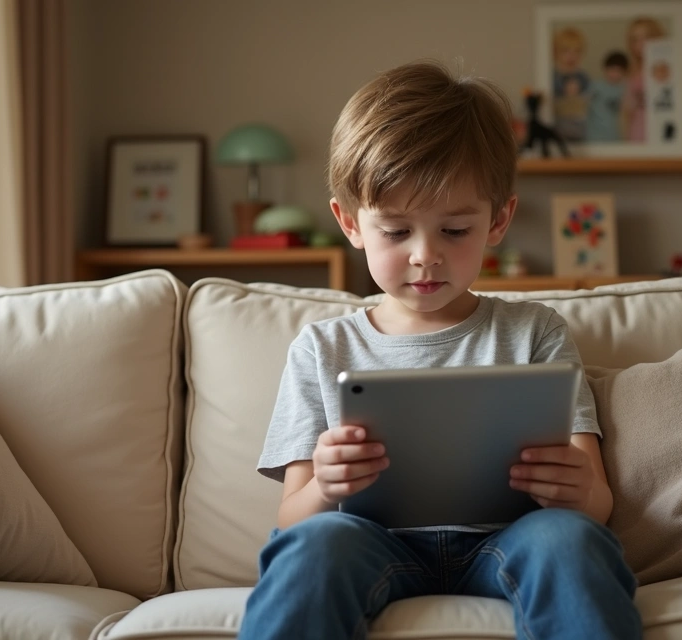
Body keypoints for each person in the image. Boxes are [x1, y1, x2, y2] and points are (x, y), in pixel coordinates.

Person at [238, 60, 642, 640]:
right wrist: (326, 487)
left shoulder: (536, 332)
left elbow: (594, 505)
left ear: (498, 220)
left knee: (571, 541)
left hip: (510, 539)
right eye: (396, 231)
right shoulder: (323, 348)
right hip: (369, 543)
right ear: (349, 223)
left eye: (454, 230)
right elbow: (292, 520)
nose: (425, 255)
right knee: (313, 546)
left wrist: (577, 492)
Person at [621, 16, 665, 142]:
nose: (640, 44)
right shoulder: (632, 73)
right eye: (635, 40)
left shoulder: (666, 69)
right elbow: (627, 109)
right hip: (637, 129)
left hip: (659, 128)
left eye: (645, 38)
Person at [586, 51, 629, 142]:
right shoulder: (596, 86)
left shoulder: (625, 88)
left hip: (614, 135)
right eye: (612, 70)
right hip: (594, 134)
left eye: (619, 71)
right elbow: (584, 104)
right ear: (605, 69)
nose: (615, 74)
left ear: (624, 72)